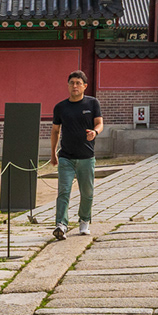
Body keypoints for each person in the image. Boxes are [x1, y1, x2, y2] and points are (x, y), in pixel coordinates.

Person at [49, 70, 102, 240]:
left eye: (78, 83)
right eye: (72, 83)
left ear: (85, 86)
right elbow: (56, 131)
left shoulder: (92, 103)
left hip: (86, 156)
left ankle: (84, 220)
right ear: (68, 85)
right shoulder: (60, 107)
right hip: (66, 156)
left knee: (87, 192)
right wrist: (53, 153)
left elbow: (99, 123)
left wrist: (95, 132)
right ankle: (61, 225)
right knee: (63, 191)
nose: (75, 86)